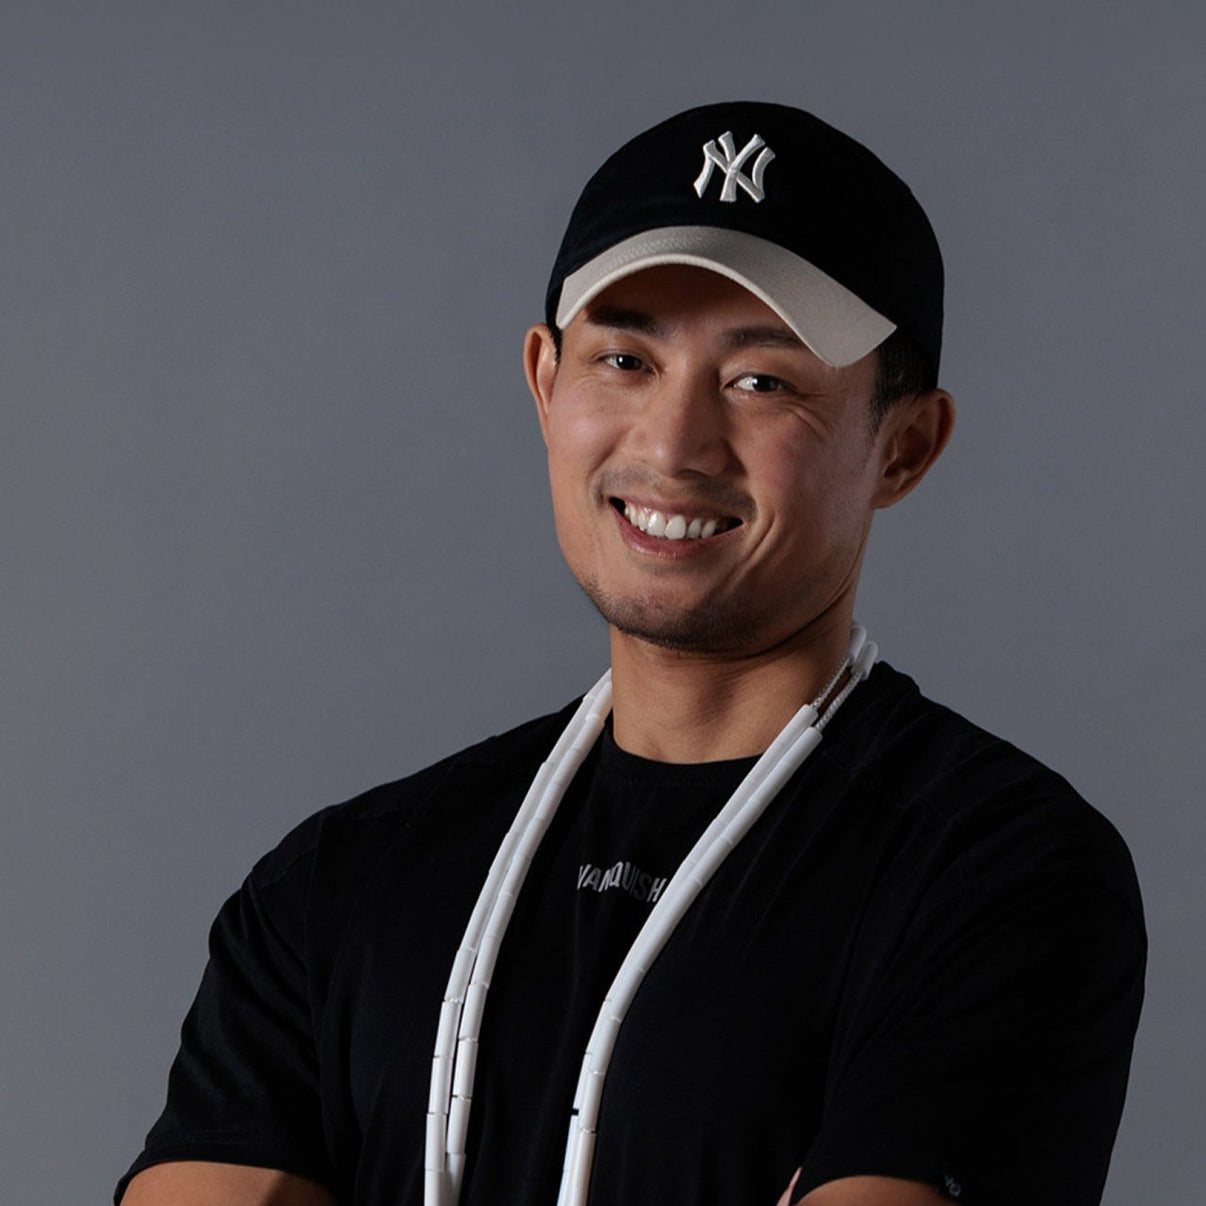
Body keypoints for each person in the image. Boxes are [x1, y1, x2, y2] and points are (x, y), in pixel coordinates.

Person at [116, 102, 1145, 1206]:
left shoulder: (998, 877)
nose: (672, 444)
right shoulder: (336, 888)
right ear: (544, 379)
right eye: (624, 358)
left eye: (764, 382)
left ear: (904, 447)